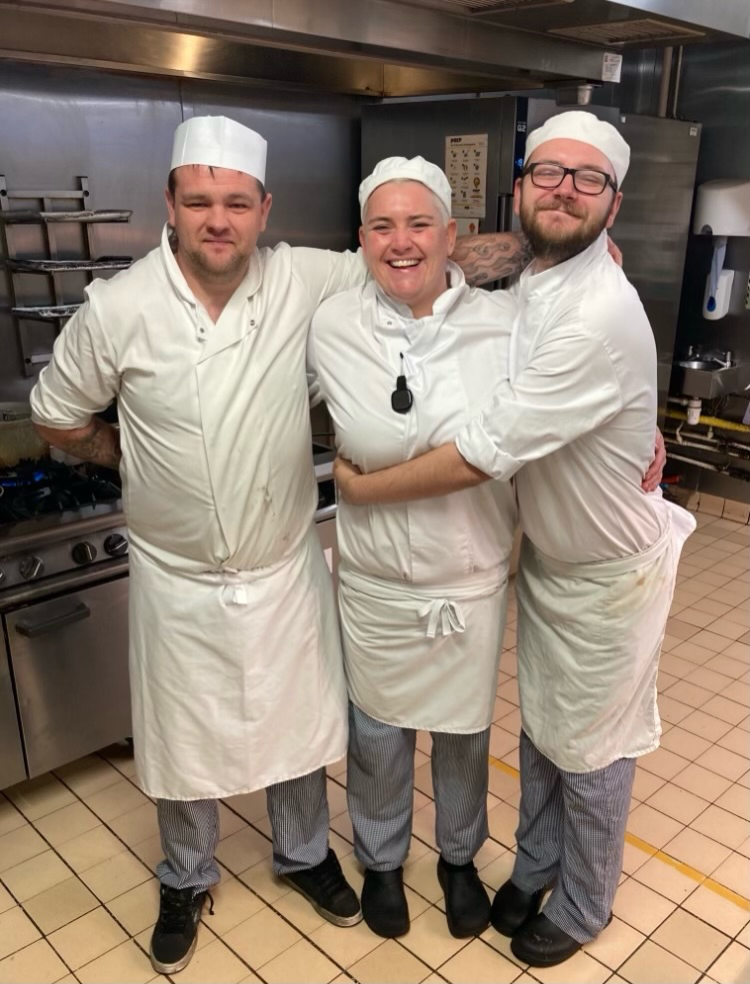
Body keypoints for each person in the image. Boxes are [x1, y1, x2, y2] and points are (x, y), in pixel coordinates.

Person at [29, 115, 534, 975]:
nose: (217, 220)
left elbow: (415, 251)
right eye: (199, 202)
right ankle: (185, 875)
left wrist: (559, 264)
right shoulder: (120, 307)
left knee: (296, 723)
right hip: (176, 576)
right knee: (181, 739)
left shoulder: (305, 278)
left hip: (280, 563)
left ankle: (305, 856)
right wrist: (125, 451)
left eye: (235, 203)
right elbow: (53, 414)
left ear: (266, 209)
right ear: (171, 205)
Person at [333, 111, 693, 969]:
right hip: (548, 559)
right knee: (541, 734)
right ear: (523, 183)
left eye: (588, 178)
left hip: (611, 570)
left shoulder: (594, 315)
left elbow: (481, 456)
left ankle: (583, 902)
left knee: (593, 751)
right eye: (548, 173)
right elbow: (472, 253)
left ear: (616, 197)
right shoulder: (545, 275)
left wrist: (357, 487)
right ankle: (534, 864)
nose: (564, 190)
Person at [307, 157, 518, 941]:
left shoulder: (504, 326)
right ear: (361, 240)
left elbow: (552, 416)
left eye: (419, 223)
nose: (402, 242)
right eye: (384, 226)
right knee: (378, 737)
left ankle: (459, 860)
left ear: (451, 237)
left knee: (464, 735)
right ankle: (383, 861)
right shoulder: (330, 326)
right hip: (376, 581)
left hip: (466, 576)